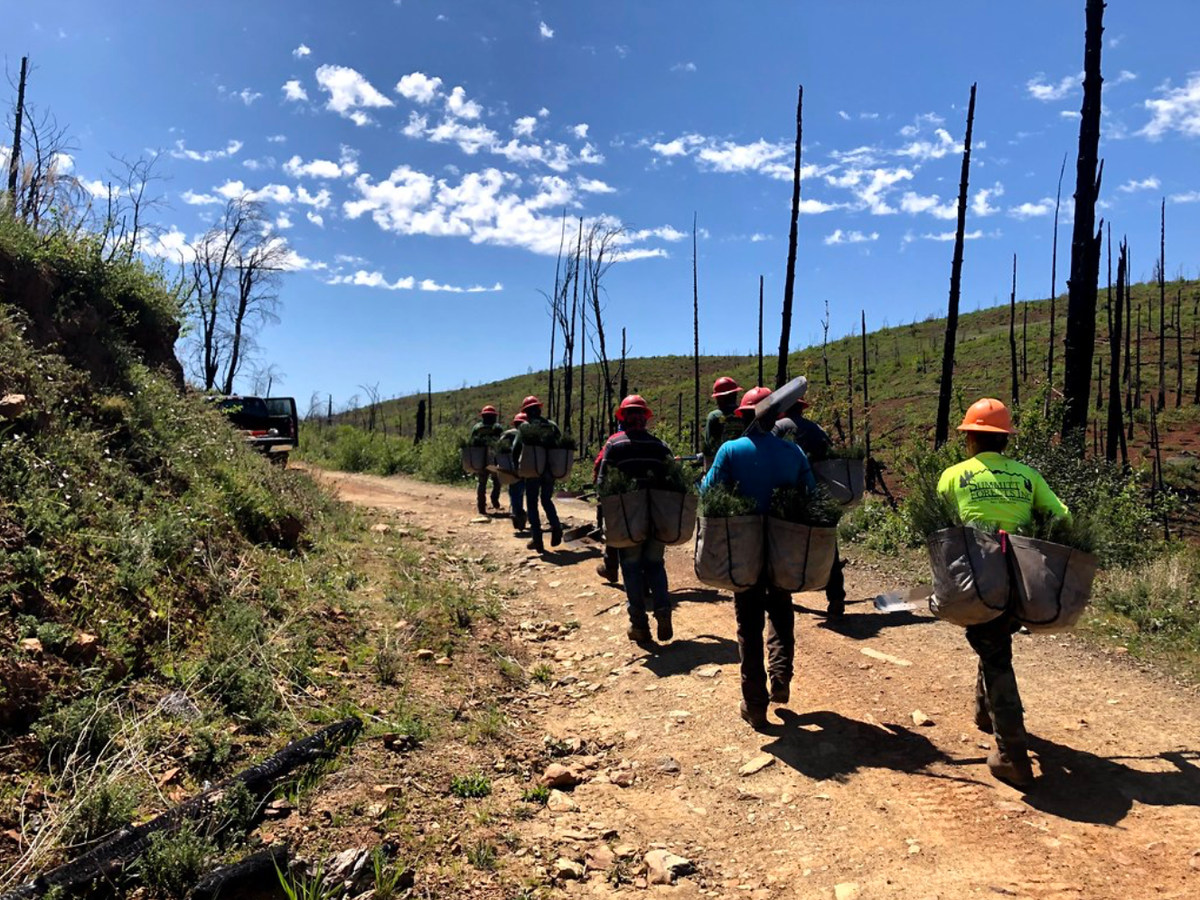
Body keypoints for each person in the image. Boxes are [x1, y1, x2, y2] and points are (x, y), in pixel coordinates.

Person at [937, 398, 1069, 787]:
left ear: (971, 439)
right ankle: (984, 711)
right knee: (994, 640)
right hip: (1021, 578)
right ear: (1005, 441)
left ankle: (1013, 754)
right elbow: (1062, 516)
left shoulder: (953, 475)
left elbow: (939, 525)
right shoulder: (1028, 476)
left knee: (995, 653)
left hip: (977, 577)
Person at [702, 386, 815, 730]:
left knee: (748, 625)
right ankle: (780, 676)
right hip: (782, 547)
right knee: (780, 612)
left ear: (744, 415)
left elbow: (708, 492)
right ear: (776, 415)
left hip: (744, 549)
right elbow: (810, 495)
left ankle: (754, 704)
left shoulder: (730, 450)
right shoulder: (793, 452)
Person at [597, 396, 675, 643]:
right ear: (645, 419)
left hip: (628, 518)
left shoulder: (615, 445)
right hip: (656, 518)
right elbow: (674, 481)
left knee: (630, 567)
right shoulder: (661, 447)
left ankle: (639, 625)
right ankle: (663, 610)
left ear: (623, 418)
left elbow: (602, 484)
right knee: (655, 564)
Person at [774, 398, 846, 618]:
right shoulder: (816, 428)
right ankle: (836, 597)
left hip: (791, 496)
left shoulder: (780, 427)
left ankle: (782, 594)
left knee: (783, 545)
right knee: (828, 546)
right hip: (818, 495)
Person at [513, 395, 563, 553]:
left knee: (532, 504)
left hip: (532, 471)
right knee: (546, 499)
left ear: (526, 412)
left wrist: (517, 468)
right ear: (539, 409)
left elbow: (515, 449)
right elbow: (560, 445)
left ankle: (537, 539)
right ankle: (556, 527)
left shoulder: (525, 427)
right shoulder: (552, 426)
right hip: (549, 470)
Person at [592, 430, 622, 583]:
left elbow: (599, 464)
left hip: (617, 495)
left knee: (613, 529)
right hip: (646, 499)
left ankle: (611, 568)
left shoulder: (614, 441)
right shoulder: (651, 442)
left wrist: (598, 487)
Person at [703, 376, 744, 467]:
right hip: (744, 462)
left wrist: (707, 471)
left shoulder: (714, 417)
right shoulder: (745, 414)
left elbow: (709, 448)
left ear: (720, 398)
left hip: (722, 465)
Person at [470, 405, 503, 515]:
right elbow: (501, 442)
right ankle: (494, 499)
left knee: (482, 482)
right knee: (497, 481)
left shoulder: (477, 428)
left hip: (480, 460)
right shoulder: (497, 428)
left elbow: (472, 442)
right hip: (493, 460)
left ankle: (481, 507)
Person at [501, 412, 528, 533]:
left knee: (514, 491)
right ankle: (519, 513)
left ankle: (517, 513)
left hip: (512, 468)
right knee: (521, 491)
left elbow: (499, 448)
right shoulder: (528, 435)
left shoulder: (509, 434)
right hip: (530, 468)